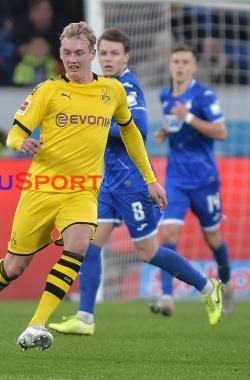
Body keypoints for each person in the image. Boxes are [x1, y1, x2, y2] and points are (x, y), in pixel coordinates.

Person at [0, 21, 169, 352]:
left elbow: (130, 132)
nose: (72, 59)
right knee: (14, 267)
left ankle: (36, 324)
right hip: (42, 188)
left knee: (78, 247)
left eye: (78, 53)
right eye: (66, 53)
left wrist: (150, 179)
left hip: (83, 189)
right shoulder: (47, 90)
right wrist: (23, 144)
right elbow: (14, 132)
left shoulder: (112, 91)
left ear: (92, 54)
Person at [47, 29, 225, 337]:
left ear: (126, 57)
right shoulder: (101, 86)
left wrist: (94, 126)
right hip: (108, 184)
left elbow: (138, 128)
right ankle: (85, 318)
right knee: (89, 247)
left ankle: (208, 286)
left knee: (148, 252)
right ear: (95, 56)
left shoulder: (128, 86)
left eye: (115, 53)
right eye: (104, 53)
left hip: (133, 184)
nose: (109, 59)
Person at [151, 43, 233, 316]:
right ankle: (166, 297)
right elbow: (176, 124)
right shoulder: (166, 95)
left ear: (194, 66)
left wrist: (187, 116)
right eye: (176, 61)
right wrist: (166, 130)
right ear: (170, 65)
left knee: (213, 238)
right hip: (175, 178)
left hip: (204, 179)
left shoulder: (204, 95)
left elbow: (220, 132)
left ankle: (228, 285)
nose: (180, 66)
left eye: (186, 62)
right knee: (169, 233)